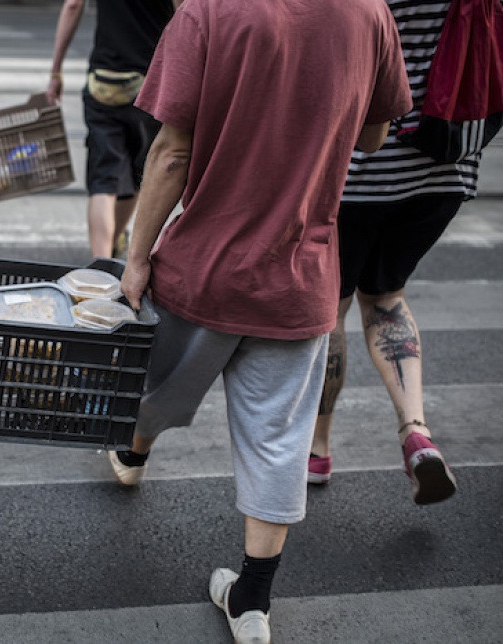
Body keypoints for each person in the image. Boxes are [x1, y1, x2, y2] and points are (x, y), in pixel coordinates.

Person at [110, 0, 412, 641]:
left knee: (154, 385)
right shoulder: (370, 13)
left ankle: (132, 454)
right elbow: (374, 134)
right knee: (278, 440)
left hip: (204, 267)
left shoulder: (207, 10)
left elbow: (170, 152)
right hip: (300, 279)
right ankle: (251, 603)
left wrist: (136, 259)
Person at [307, 0, 477, 505]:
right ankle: (416, 432)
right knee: (386, 298)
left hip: (361, 169)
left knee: (329, 309)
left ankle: (315, 449)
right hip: (444, 167)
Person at [46, 0, 177, 259]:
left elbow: (73, 5)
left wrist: (56, 70)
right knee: (137, 174)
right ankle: (113, 244)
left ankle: (100, 267)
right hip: (151, 81)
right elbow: (186, 15)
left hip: (104, 82)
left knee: (104, 182)